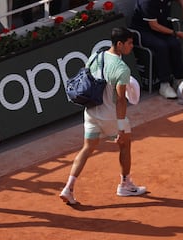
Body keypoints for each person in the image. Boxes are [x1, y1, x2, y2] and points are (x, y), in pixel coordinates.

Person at [59, 27, 146, 205]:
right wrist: (121, 128)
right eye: (129, 43)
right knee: (125, 144)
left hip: (91, 113)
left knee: (87, 148)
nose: (132, 46)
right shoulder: (122, 69)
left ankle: (68, 188)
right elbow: (121, 100)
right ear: (120, 44)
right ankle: (125, 184)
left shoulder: (95, 56)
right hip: (110, 116)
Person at [130, 0, 183, 99]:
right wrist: (175, 33)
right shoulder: (147, 2)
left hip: (161, 26)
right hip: (144, 31)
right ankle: (164, 85)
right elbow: (154, 26)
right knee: (161, 46)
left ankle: (179, 80)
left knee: (174, 44)